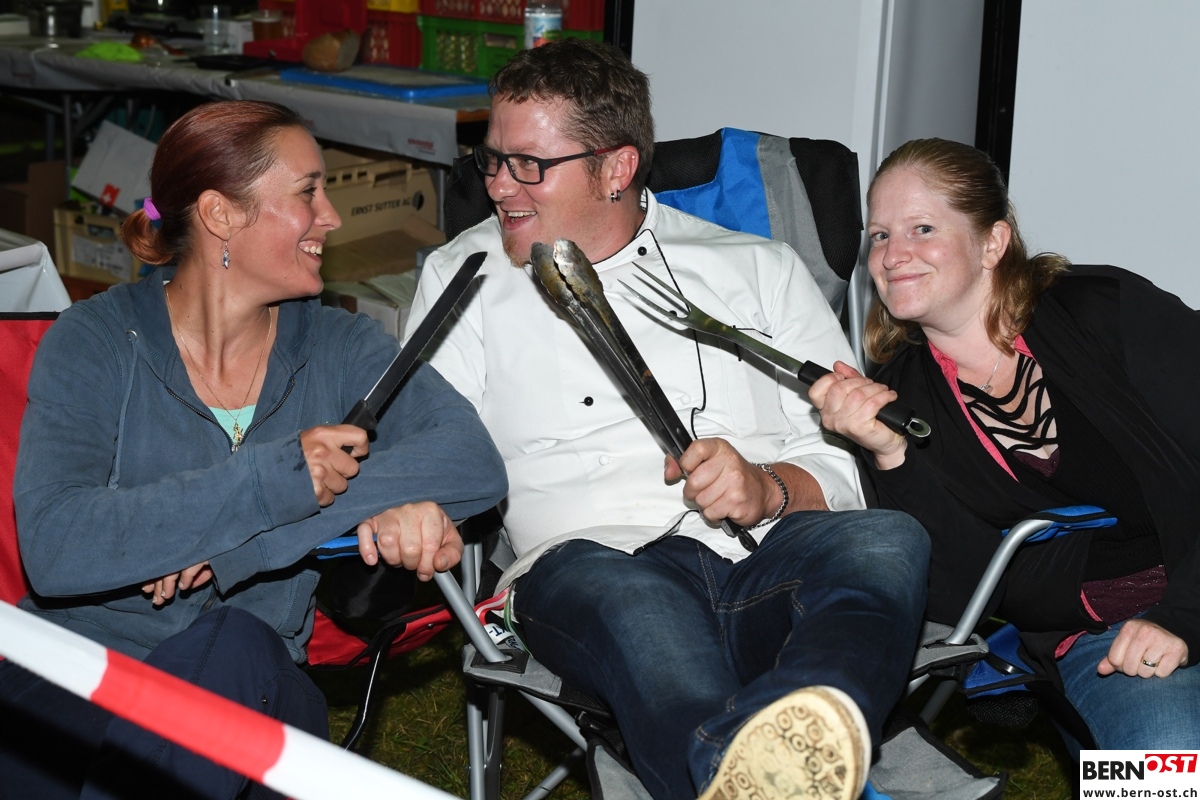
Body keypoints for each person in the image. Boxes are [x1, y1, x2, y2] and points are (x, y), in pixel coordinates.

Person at [405, 39, 929, 800]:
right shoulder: (465, 277)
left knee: (888, 538)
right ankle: (746, 774)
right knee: (638, 603)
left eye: (529, 165)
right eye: (492, 160)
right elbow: (428, 449)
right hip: (588, 567)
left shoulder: (757, 268)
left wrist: (767, 487)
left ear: (617, 168)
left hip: (761, 559)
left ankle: (790, 749)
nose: (499, 186)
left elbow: (841, 471)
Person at [0, 99, 507, 799]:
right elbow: (55, 546)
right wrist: (276, 482)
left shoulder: (340, 347)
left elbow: (469, 458)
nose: (331, 217)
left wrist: (241, 545)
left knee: (232, 640)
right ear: (220, 215)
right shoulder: (97, 341)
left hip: (253, 689)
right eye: (307, 193)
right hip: (83, 673)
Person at [811, 137, 1200, 749]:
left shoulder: (1102, 310)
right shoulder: (899, 400)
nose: (892, 254)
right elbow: (963, 596)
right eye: (880, 235)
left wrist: (1183, 619)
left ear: (992, 242)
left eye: (921, 228)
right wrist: (892, 457)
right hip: (1104, 639)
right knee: (1162, 770)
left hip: (1189, 588)